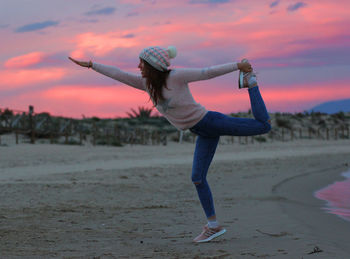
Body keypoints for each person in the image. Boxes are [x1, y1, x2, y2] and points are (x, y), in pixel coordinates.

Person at [69, 45, 271, 243]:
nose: (139, 67)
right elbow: (118, 74)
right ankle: (213, 226)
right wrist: (91, 65)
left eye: (142, 63)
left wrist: (238, 66)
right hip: (201, 131)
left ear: (152, 64)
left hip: (210, 122)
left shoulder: (177, 77)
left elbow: (207, 73)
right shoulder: (147, 84)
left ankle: (251, 82)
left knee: (263, 126)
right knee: (197, 178)